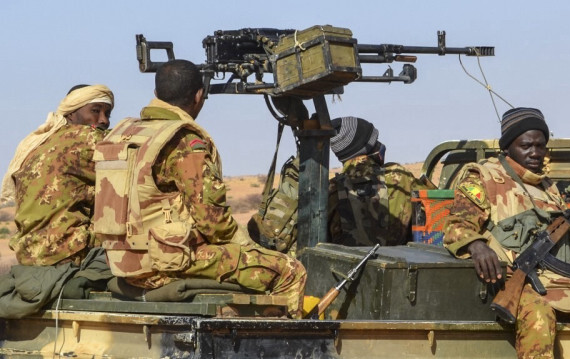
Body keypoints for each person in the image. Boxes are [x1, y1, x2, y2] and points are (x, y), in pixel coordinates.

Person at [94, 59, 306, 318]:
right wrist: (252, 248)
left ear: (156, 94)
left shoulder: (123, 135)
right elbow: (214, 224)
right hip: (165, 265)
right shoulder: (183, 141)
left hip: (121, 262)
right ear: (198, 96)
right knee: (290, 271)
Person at [443, 107, 570, 358]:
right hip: (515, 282)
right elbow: (457, 225)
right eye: (526, 145)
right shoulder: (483, 177)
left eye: (540, 146)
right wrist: (478, 246)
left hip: (560, 281)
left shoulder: (549, 188)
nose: (535, 153)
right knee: (539, 317)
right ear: (507, 147)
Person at [3, 84, 113, 266]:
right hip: (69, 251)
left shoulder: (40, 143)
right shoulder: (89, 139)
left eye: (107, 114)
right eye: (95, 111)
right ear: (71, 113)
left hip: (28, 254)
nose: (104, 120)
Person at [327, 116, 427, 246]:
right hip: (397, 265)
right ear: (366, 147)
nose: (379, 145)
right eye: (375, 141)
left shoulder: (331, 191)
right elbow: (436, 204)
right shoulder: (399, 178)